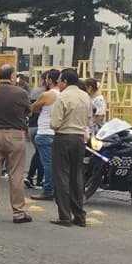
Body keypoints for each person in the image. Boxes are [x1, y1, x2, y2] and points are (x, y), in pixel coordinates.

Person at [0, 64, 32, 224]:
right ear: (11, 77)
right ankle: (18, 213)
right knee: (16, 174)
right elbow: (28, 111)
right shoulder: (21, 93)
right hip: (15, 134)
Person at [50, 68, 92, 227]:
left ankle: (65, 216)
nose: (59, 84)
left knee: (62, 177)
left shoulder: (63, 97)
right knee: (77, 177)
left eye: (60, 81)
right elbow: (89, 118)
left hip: (63, 138)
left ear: (65, 82)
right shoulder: (85, 96)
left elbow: (55, 123)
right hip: (79, 139)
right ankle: (80, 215)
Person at [30, 69, 61, 201]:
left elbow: (34, 108)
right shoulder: (63, 95)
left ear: (49, 80)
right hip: (57, 132)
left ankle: (48, 190)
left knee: (47, 163)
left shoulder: (47, 94)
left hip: (44, 131)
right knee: (56, 163)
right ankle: (55, 188)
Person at [25, 72, 48, 188]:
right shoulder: (47, 93)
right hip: (40, 126)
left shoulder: (34, 91)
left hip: (31, 126)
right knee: (42, 154)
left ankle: (30, 177)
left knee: (38, 153)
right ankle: (38, 179)